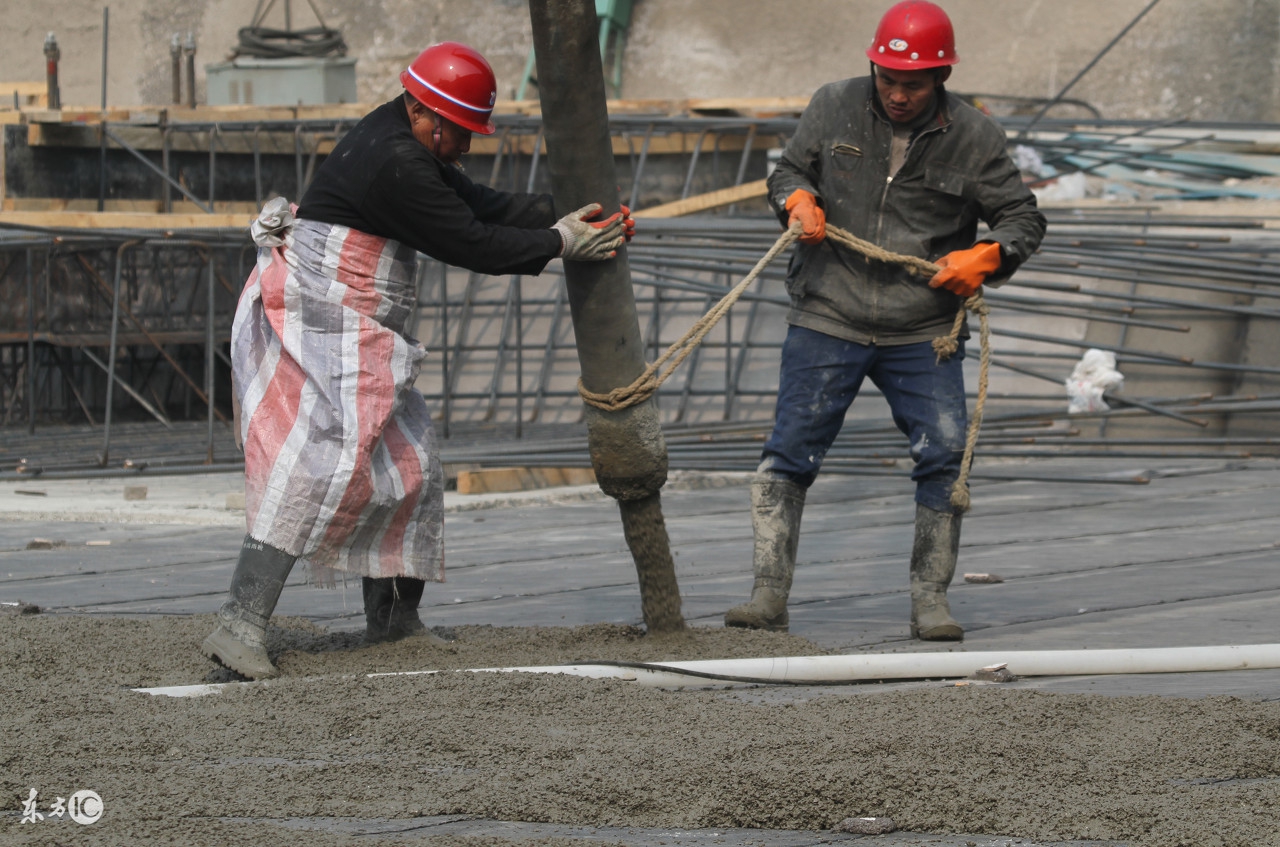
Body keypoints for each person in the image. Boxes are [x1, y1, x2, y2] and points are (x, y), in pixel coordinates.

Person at [203, 41, 630, 679]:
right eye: (463, 133)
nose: (468, 145)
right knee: (318, 463)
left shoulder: (404, 131)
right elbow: (469, 239)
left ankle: (395, 624)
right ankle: (238, 625)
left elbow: (473, 201)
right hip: (328, 316)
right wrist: (559, 243)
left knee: (411, 464)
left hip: (361, 324)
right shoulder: (395, 162)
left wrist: (558, 218)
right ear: (429, 117)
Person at [724, 1, 1046, 640]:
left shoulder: (976, 137)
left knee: (945, 457)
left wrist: (987, 256)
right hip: (828, 310)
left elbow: (1024, 219)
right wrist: (796, 197)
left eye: (914, 83)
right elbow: (788, 169)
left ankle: (930, 600)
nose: (898, 95)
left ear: (941, 79)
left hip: (922, 328)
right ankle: (767, 596)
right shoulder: (833, 105)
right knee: (789, 453)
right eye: (888, 79)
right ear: (872, 67)